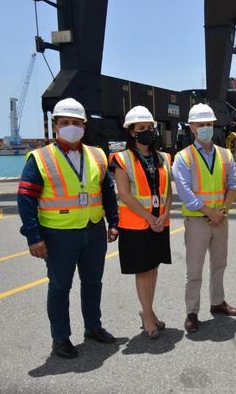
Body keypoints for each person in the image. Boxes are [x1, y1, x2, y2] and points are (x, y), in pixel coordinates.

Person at [17, 98, 119, 359]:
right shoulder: (40, 158)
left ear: (84, 126)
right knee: (60, 286)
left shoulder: (97, 155)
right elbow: (26, 198)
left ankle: (93, 327)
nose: (70, 127)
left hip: (94, 229)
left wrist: (114, 222)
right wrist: (33, 236)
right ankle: (60, 338)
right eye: (65, 123)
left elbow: (107, 191)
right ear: (55, 126)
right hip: (58, 234)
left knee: (93, 283)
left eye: (76, 123)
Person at [173, 103, 236, 333]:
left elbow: (233, 186)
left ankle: (217, 301)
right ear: (192, 128)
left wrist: (221, 210)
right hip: (197, 221)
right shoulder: (183, 157)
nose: (206, 128)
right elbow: (184, 191)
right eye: (201, 125)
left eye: (209, 124)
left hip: (220, 219)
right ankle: (192, 312)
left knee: (219, 264)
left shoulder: (225, 154)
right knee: (194, 270)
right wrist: (210, 212)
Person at [109, 106, 172, 339]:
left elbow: (167, 191)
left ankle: (148, 310)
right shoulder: (121, 159)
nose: (147, 132)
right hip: (137, 225)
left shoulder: (164, 158)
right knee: (143, 271)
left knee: (153, 269)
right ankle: (147, 315)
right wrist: (150, 218)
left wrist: (163, 215)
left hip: (159, 222)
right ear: (132, 132)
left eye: (150, 127)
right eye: (142, 128)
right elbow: (124, 194)